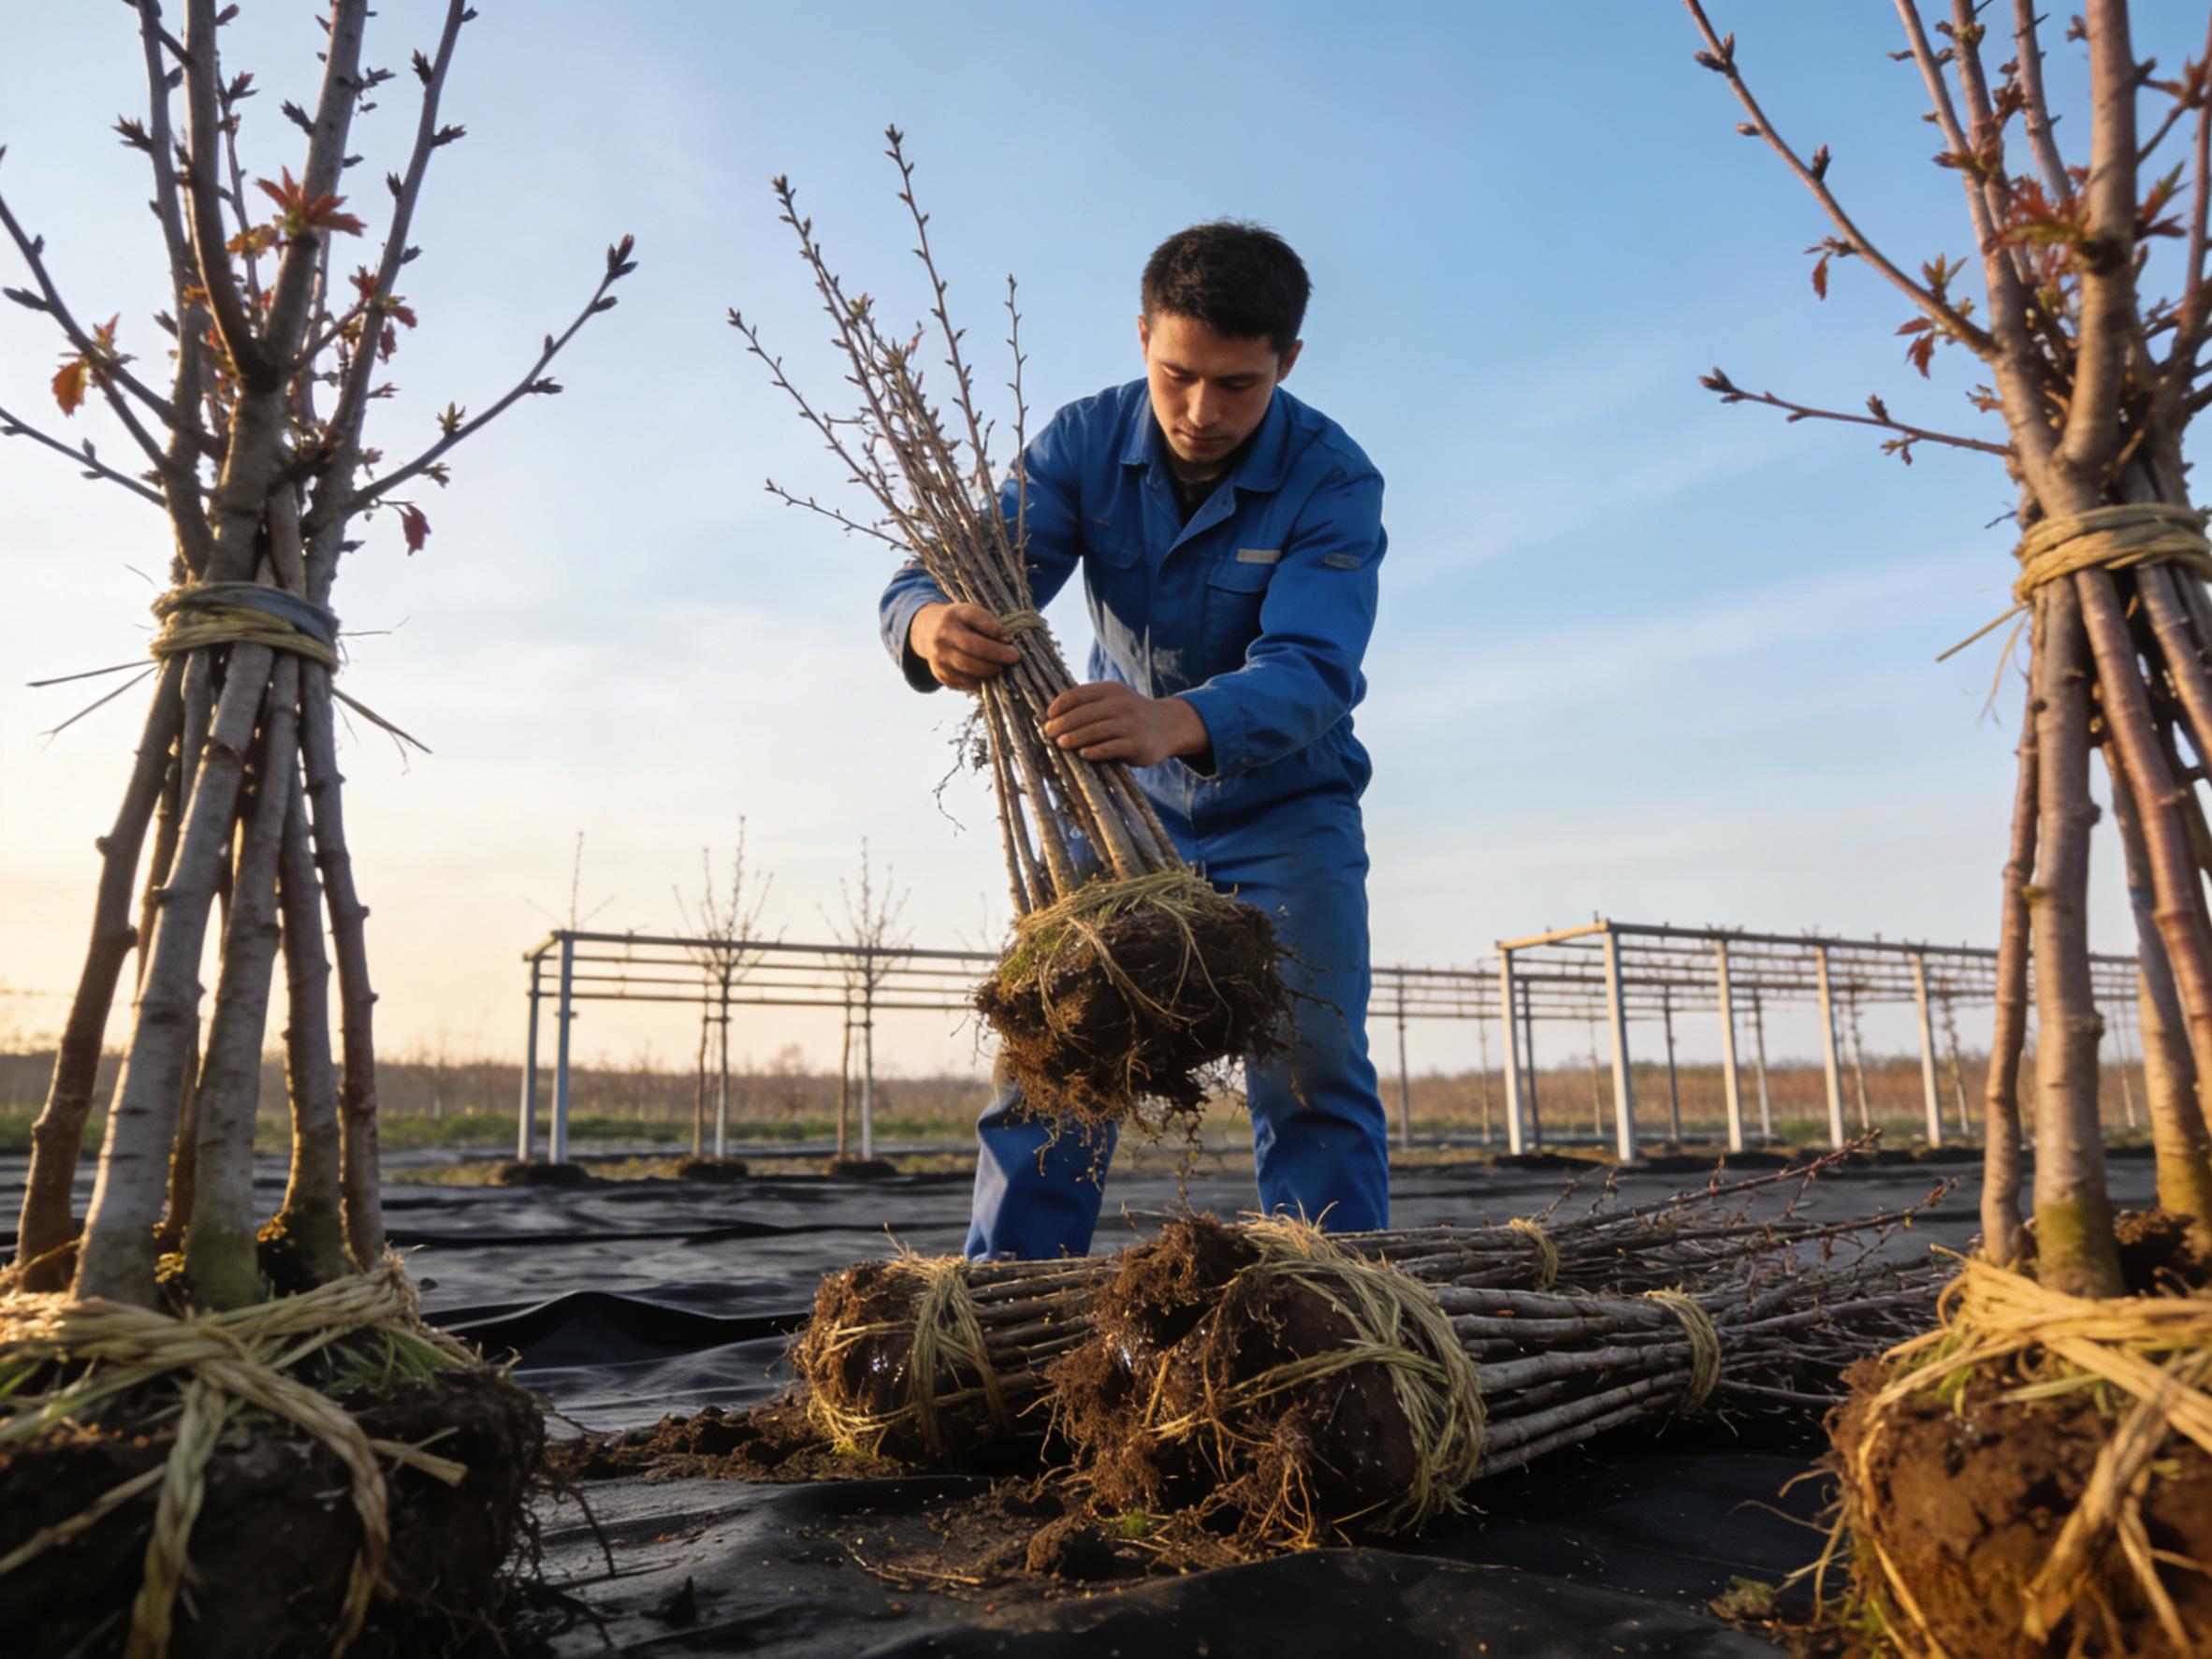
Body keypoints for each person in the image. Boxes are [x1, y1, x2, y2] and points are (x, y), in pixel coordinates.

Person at [880, 221, 1390, 1259]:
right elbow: (949, 572)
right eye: (1177, 375)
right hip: (1115, 818)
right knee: (1054, 1056)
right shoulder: (1081, 444)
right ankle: (1009, 1309)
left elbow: (1314, 669)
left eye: (1238, 386)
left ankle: (1332, 1310)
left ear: (1287, 362)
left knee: (1314, 1065)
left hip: (1286, 812)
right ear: (1143, 336)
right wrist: (930, 624)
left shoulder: (1335, 481)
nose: (1202, 412)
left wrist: (1173, 722)